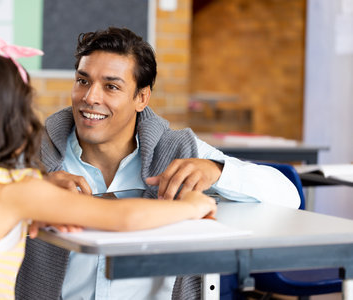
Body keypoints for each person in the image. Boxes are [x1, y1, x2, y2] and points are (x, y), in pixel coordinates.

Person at [0, 30, 217, 300]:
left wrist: (40, 194)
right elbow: (124, 217)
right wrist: (192, 206)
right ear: (14, 120)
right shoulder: (12, 191)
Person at [15, 27, 300, 299]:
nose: (90, 97)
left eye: (111, 86)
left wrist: (216, 170)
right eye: (83, 81)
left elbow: (287, 196)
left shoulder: (177, 150)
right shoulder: (35, 153)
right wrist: (30, 188)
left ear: (142, 98)